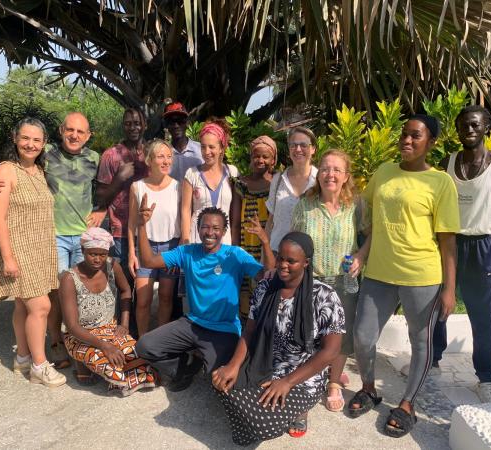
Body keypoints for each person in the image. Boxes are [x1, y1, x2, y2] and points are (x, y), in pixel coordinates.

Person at [349, 115, 459, 438]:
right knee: (363, 335)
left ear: (431, 143)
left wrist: (449, 289)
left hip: (421, 275)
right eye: (404, 135)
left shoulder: (441, 183)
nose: (407, 141)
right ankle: (369, 389)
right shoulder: (384, 172)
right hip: (379, 272)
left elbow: (448, 241)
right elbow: (367, 215)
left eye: (416, 136)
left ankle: (408, 404)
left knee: (420, 341)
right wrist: (362, 251)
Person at [0, 112, 102, 369]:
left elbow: (104, 187)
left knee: (80, 292)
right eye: (70, 129)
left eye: (81, 132)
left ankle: (77, 343)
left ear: (88, 136)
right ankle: (56, 342)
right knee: (54, 294)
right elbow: (13, 166)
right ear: (60, 130)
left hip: (82, 236)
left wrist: (101, 209)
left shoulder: (94, 158)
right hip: (53, 236)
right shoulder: (46, 153)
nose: (74, 135)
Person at [212, 232, 344, 445]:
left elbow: (331, 351)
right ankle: (255, 412)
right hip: (264, 364)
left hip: (301, 378)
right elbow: (249, 332)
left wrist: (287, 382)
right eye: (280, 258)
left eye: (291, 261)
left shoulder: (324, 296)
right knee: (220, 380)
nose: (283, 264)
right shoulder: (265, 288)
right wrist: (234, 365)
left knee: (266, 425)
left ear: (306, 263)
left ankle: (294, 411)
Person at [135, 204, 275, 392]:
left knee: (219, 380)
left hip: (224, 329)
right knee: (144, 346)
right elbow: (149, 261)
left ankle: (202, 359)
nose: (210, 232)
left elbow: (268, 276)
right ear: (198, 229)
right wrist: (141, 226)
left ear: (224, 231)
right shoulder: (187, 252)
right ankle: (185, 365)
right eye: (205, 227)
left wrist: (265, 243)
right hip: (191, 323)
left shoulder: (235, 255)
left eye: (216, 228)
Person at [432, 105, 491, 403]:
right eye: (464, 125)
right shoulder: (447, 162)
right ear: (457, 129)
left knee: (482, 315)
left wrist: (486, 235)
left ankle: (486, 376)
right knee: (439, 306)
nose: (469, 129)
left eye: (475, 125)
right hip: (450, 244)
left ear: (486, 128)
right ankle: (433, 361)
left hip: (482, 248)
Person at [0, 117, 66, 388]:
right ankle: (39, 365)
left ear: (44, 144)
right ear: (15, 138)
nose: (30, 144)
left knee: (23, 305)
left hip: (39, 247)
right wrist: (7, 258)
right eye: (25, 138)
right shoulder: (5, 171)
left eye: (36, 140)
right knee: (41, 306)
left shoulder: (39, 171)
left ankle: (22, 356)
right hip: (17, 248)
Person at [290, 149, 371, 412]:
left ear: (346, 175)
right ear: (318, 173)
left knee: (340, 337)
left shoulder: (355, 205)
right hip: (312, 281)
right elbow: (295, 242)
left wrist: (360, 256)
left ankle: (334, 382)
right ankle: (311, 376)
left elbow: (370, 235)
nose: (330, 174)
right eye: (325, 168)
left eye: (337, 169)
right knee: (309, 333)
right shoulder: (305, 204)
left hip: (344, 281)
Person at [59, 227, 157, 396]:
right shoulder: (69, 278)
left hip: (109, 329)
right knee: (115, 371)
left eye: (102, 254)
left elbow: (126, 291)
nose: (98, 259)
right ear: (82, 250)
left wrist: (124, 324)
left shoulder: (112, 266)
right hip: (80, 336)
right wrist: (105, 347)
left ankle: (116, 372)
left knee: (142, 358)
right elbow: (72, 326)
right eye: (92, 254)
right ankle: (82, 365)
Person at [127, 139, 180, 336]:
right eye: (160, 157)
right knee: (143, 299)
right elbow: (131, 224)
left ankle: (159, 342)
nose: (166, 161)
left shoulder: (178, 187)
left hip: (171, 247)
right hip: (145, 246)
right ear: (149, 161)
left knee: (166, 297)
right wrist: (132, 253)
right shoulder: (137, 187)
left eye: (169, 157)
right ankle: (142, 341)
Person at [96, 108, 149, 275]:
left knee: (144, 286)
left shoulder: (151, 154)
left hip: (149, 230)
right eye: (128, 124)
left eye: (137, 123)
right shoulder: (110, 155)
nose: (133, 128)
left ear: (145, 125)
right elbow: (100, 198)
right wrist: (119, 178)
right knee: (124, 286)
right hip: (121, 232)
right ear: (123, 126)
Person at [234, 135, 277, 319]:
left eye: (265, 157)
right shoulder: (241, 183)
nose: (260, 160)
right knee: (245, 294)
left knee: (267, 289)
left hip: (268, 246)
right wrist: (236, 250)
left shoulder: (277, 183)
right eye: (256, 156)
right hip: (246, 246)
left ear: (273, 160)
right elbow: (235, 222)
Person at [181, 118, 240, 245]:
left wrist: (235, 242)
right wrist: (185, 240)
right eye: (203, 147)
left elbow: (235, 213)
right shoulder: (192, 174)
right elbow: (185, 211)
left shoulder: (232, 173)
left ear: (221, 148)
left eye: (211, 147)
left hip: (224, 242)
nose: (207, 152)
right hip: (196, 240)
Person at [266, 127, 318, 253]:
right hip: (278, 252)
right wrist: (266, 255)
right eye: (293, 145)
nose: (298, 149)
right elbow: (271, 222)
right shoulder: (278, 180)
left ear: (313, 149)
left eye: (303, 145)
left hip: (309, 256)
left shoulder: (320, 180)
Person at [163, 101, 204, 181]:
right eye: (171, 122)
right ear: (167, 125)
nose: (176, 126)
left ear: (187, 123)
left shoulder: (201, 150)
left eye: (180, 121)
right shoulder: (163, 153)